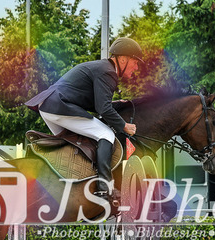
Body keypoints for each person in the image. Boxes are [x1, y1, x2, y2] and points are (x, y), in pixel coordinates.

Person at [25, 37, 143, 202]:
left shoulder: (102, 68)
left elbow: (97, 103)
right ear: (123, 59)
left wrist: (117, 104)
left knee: (73, 143)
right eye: (135, 62)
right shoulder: (108, 72)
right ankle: (104, 189)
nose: (136, 67)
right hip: (60, 107)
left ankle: (71, 184)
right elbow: (103, 109)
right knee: (106, 134)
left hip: (49, 106)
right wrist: (123, 126)